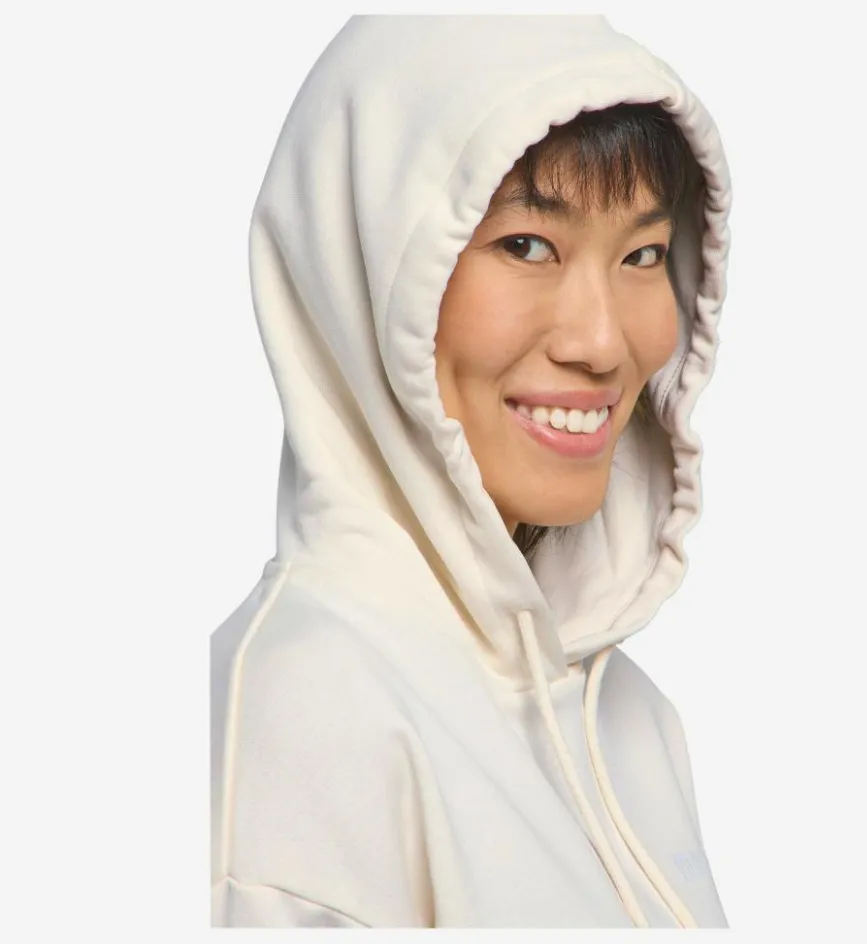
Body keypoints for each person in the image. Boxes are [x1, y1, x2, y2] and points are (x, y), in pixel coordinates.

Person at [210, 13, 733, 929]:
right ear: (360, 270)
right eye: (526, 245)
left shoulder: (629, 721)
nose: (602, 342)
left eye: (642, 253)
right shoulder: (297, 722)